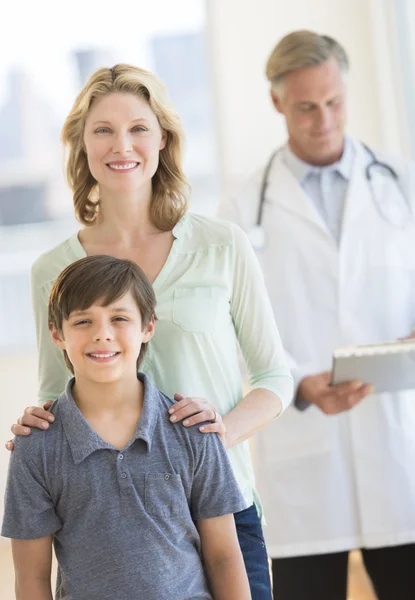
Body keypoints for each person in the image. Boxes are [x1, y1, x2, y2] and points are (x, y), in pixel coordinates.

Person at [7, 63, 293, 599]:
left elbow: (276, 376)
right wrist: (36, 426)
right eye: (103, 130)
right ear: (81, 144)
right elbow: (55, 389)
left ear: (163, 138)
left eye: (139, 127)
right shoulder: (52, 268)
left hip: (220, 508)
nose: (123, 145)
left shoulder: (222, 245)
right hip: (106, 523)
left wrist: (211, 440)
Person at [219, 30, 415, 600]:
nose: (324, 119)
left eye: (334, 102)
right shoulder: (241, 204)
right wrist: (300, 380)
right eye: (306, 106)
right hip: (303, 439)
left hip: (397, 437)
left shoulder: (401, 182)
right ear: (278, 102)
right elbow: (229, 323)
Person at [2, 254, 252, 600]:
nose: (102, 335)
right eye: (83, 322)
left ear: (148, 326)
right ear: (57, 333)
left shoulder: (193, 431)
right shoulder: (36, 448)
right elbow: (30, 579)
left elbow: (224, 557)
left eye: (119, 318)